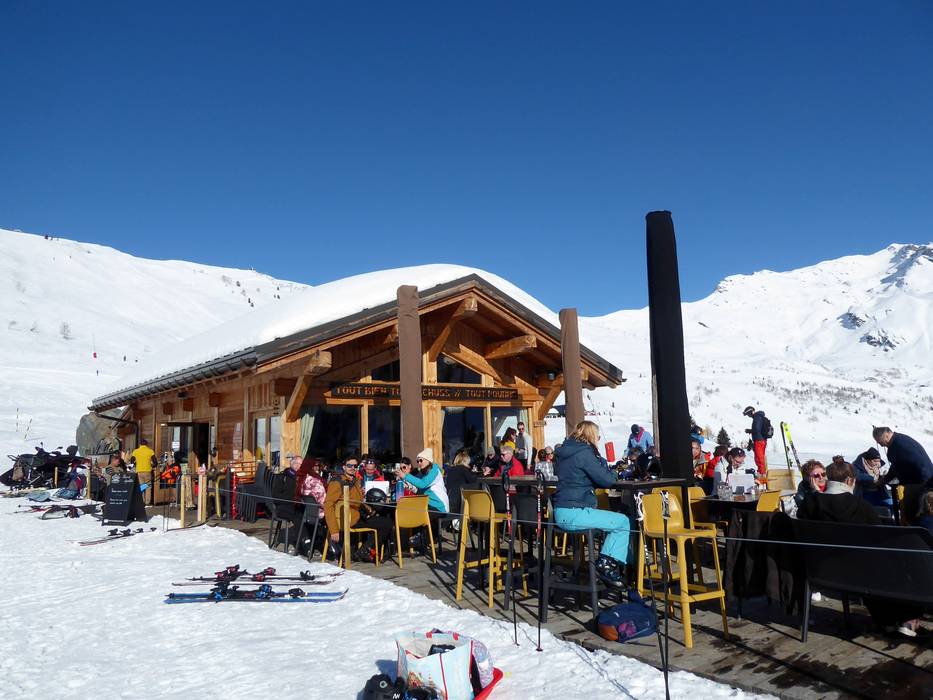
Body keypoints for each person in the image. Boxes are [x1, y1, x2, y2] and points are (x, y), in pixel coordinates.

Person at [798, 460, 926, 638]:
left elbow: (804, 513)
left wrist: (814, 494)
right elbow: (881, 539)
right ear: (850, 481)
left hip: (824, 571)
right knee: (895, 563)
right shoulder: (861, 507)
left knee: (873, 567)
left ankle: (886, 620)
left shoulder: (811, 504)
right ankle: (906, 618)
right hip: (861, 572)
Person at [553, 420, 632, 587]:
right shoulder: (584, 453)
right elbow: (606, 479)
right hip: (576, 512)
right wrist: (615, 472)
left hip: (561, 511)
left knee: (617, 521)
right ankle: (606, 564)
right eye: (597, 437)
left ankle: (611, 565)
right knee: (623, 522)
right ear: (591, 435)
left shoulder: (564, 452)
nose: (598, 440)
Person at [323, 455, 394, 563]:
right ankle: (364, 551)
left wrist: (368, 508)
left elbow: (358, 501)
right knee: (386, 523)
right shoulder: (337, 482)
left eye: (355, 466)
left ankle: (365, 550)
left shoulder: (356, 480)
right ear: (343, 467)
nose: (352, 468)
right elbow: (328, 505)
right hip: (347, 520)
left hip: (357, 515)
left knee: (386, 521)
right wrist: (333, 530)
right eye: (349, 465)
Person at [399, 449, 449, 515]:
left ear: (428, 460)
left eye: (421, 460)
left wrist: (405, 476)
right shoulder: (423, 472)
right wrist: (411, 487)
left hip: (440, 507)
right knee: (408, 510)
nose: (419, 463)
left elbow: (422, 484)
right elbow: (420, 491)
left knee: (414, 513)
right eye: (417, 461)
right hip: (428, 504)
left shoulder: (434, 470)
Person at [444, 450, 479, 529]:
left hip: (450, 497)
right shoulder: (463, 469)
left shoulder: (451, 469)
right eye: (468, 463)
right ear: (464, 461)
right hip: (460, 498)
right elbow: (472, 480)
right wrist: (476, 473)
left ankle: (454, 525)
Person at [742, 406, 770, 474]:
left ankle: (762, 474)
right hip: (762, 440)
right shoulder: (759, 417)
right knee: (761, 457)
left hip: (759, 440)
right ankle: (761, 472)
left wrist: (750, 431)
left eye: (749, 414)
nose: (749, 416)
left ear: (751, 412)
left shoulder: (757, 417)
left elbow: (757, 429)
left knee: (759, 458)